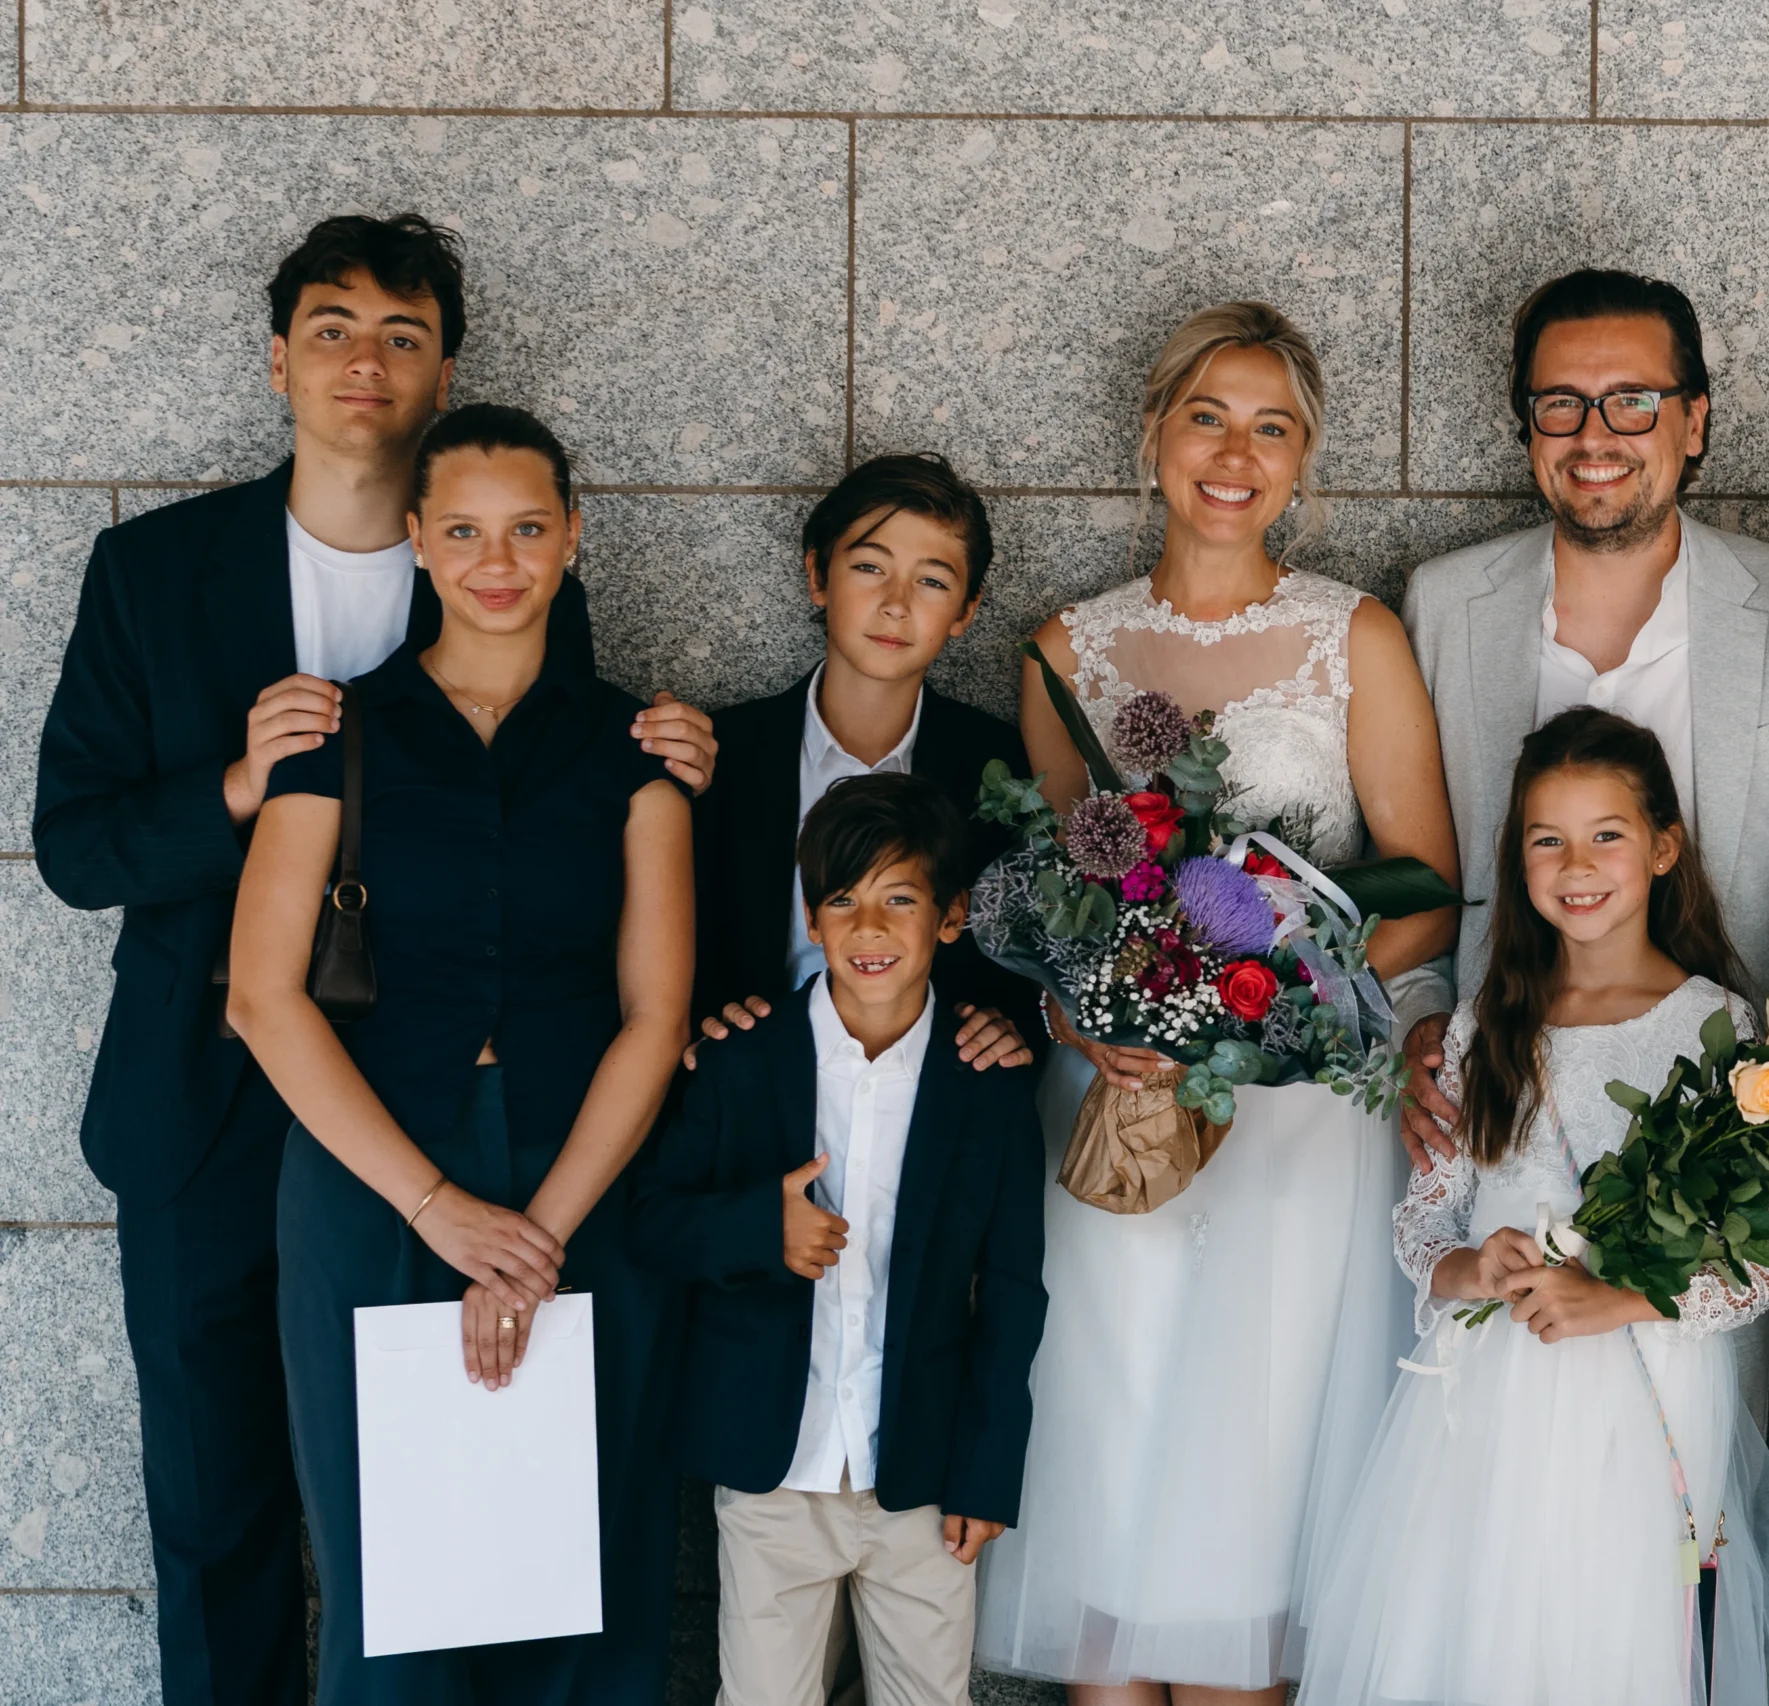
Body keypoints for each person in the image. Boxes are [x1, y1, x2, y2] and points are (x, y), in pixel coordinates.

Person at [29, 213, 714, 1706]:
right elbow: (76, 848)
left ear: (442, 370)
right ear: (279, 359)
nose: (366, 360)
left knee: (499, 1501)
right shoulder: (153, 572)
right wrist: (238, 783)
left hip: (477, 1091)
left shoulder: (505, 568)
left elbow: (558, 800)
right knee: (225, 1501)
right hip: (216, 1101)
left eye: (404, 336)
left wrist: (671, 756)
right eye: (334, 327)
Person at [972, 301, 1462, 1705]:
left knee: (1247, 1488)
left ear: (1304, 462)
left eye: (1271, 427)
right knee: (1112, 1455)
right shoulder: (1065, 648)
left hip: (1294, 1118)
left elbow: (1426, 889)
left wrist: (1267, 1007)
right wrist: (1086, 1014)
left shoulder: (1350, 636)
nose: (1234, 454)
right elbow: (1071, 899)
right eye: (1208, 416)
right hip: (1119, 1108)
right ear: (1152, 438)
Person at [227, 405, 695, 1702]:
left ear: (572, 538)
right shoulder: (333, 733)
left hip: (583, 1181)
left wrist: (534, 1232)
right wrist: (439, 1207)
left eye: (529, 527)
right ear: (420, 541)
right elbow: (267, 998)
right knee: (397, 1595)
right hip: (374, 1179)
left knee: (586, 1587)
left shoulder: (637, 753)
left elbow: (655, 1012)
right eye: (469, 530)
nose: (499, 559)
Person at [1396, 269, 1769, 1412]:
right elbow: (1411, 860)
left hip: (1719, 1155)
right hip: (1504, 1106)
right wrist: (1416, 1021)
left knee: (1683, 1491)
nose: (1595, 434)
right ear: (1526, 427)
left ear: (1693, 420)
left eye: (1632, 400)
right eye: (1561, 403)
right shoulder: (1444, 604)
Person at [1297, 707, 1769, 1706]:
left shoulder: (1712, 1023)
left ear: (1664, 846)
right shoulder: (1486, 1022)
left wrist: (1611, 1297)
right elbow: (1428, 1218)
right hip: (1481, 1397)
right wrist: (1466, 1268)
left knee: (1601, 1642)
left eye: (1605, 834)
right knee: (1472, 1635)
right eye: (1547, 839)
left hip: (1638, 1396)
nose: (1576, 863)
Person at [631, 773, 1047, 1706]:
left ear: (950, 918)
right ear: (811, 917)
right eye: (843, 900)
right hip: (773, 1471)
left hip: (925, 1479)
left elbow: (1014, 1289)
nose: (869, 927)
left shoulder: (986, 1084)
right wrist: (756, 1228)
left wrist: (987, 1472)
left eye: (901, 898)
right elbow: (651, 1221)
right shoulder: (741, 1060)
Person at [687, 452, 1037, 1073]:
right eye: (870, 567)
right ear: (818, 576)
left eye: (932, 580)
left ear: (966, 610)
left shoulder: (999, 765)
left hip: (926, 1096)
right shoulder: (723, 752)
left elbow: (1021, 957)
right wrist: (702, 1022)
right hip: (751, 1088)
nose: (897, 603)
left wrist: (1003, 1025)